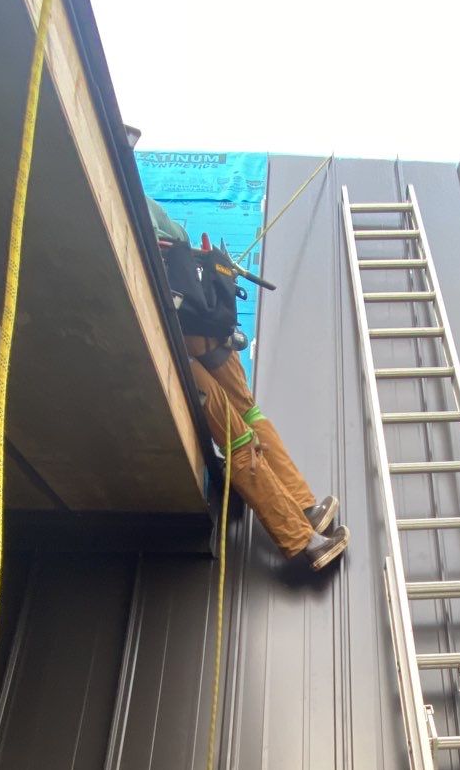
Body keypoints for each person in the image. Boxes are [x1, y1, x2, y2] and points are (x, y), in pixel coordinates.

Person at [145, 193, 350, 571]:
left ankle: (306, 531)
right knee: (245, 418)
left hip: (183, 340)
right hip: (204, 332)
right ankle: (306, 518)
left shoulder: (143, 224)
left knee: (239, 433)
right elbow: (176, 239)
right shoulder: (159, 222)